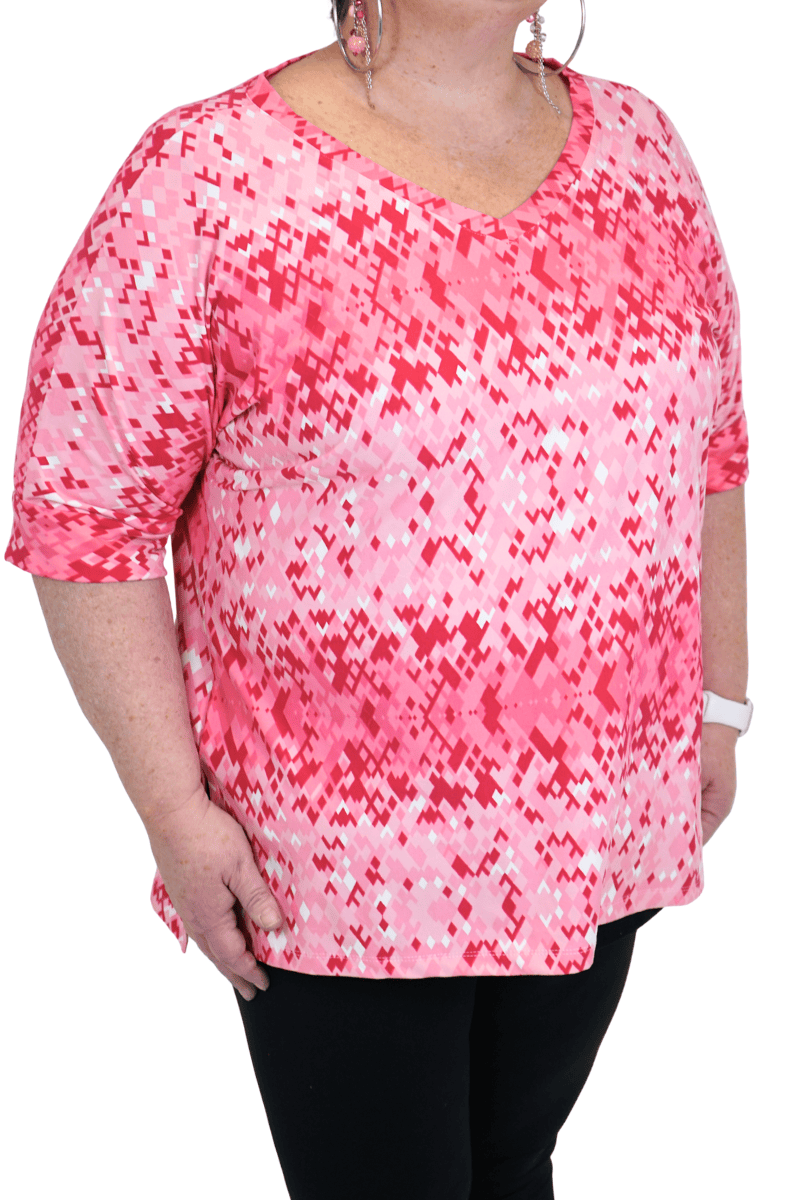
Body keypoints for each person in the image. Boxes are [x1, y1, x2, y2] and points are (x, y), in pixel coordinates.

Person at [5, 1, 753, 1196]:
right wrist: (172, 810)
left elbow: (711, 450)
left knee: (512, 1168)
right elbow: (83, 517)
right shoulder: (208, 177)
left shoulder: (640, 149)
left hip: (599, 823)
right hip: (337, 866)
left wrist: (719, 703)